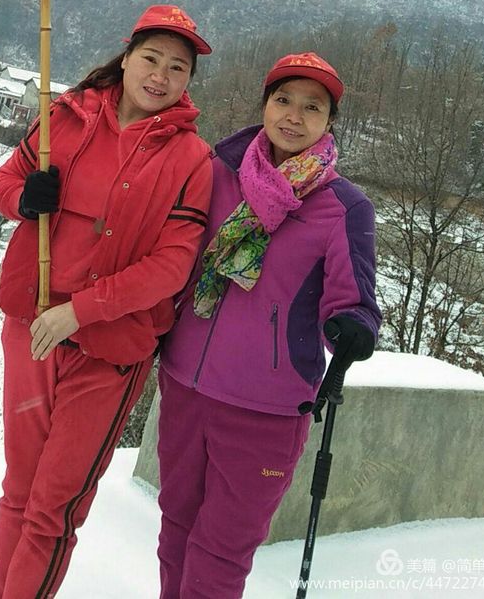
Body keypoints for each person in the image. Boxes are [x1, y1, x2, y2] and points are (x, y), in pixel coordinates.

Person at [0, 4, 214, 599]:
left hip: (107, 348)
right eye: (151, 59)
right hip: (32, 327)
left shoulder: (192, 160)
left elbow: (172, 265)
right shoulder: (63, 116)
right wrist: (23, 200)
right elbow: (4, 181)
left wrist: (81, 311)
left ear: (189, 81)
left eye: (178, 68)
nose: (161, 76)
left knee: (52, 507)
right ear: (127, 55)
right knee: (19, 490)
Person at [157, 51, 381, 598]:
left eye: (313, 106)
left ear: (329, 123)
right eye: (283, 99)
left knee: (220, 556)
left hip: (267, 409)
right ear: (264, 105)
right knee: (175, 535)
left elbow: (355, 301)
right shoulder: (216, 174)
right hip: (184, 385)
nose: (294, 115)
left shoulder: (344, 208)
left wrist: (352, 328)